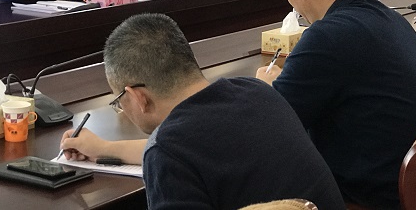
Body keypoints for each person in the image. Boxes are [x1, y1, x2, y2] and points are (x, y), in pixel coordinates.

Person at [59, 13, 346, 210]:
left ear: (138, 97)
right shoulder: (256, 91)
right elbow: (196, 146)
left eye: (120, 100)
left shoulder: (169, 152)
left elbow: (178, 147)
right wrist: (104, 149)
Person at [255, 0, 416, 209]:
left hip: (377, 200)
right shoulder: (389, 18)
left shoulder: (328, 36)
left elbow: (269, 127)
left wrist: (265, 90)